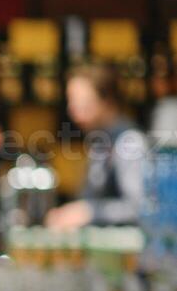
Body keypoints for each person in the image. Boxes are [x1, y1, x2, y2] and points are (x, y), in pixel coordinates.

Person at [45, 63, 146, 229]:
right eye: (71, 102)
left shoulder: (129, 141)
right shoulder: (99, 141)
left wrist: (89, 212)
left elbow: (138, 207)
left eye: (82, 102)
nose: (72, 110)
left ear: (107, 100)